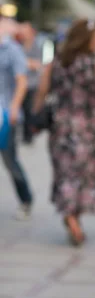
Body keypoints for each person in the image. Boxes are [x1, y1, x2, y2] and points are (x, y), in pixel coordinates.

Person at [33, 19, 95, 246]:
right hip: (89, 130)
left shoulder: (56, 63)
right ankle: (74, 217)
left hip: (61, 129)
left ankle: (70, 216)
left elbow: (42, 91)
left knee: (65, 173)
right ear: (87, 40)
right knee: (84, 176)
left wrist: (35, 118)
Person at [0, 18, 34, 220]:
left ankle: (25, 199)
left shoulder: (11, 50)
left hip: (6, 116)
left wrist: (13, 109)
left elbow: (22, 82)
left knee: (10, 161)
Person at [16, 22, 43, 144]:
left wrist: (24, 62)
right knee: (20, 109)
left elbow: (38, 64)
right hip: (20, 82)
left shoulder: (36, 46)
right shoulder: (18, 45)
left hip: (32, 83)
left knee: (29, 109)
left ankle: (28, 135)